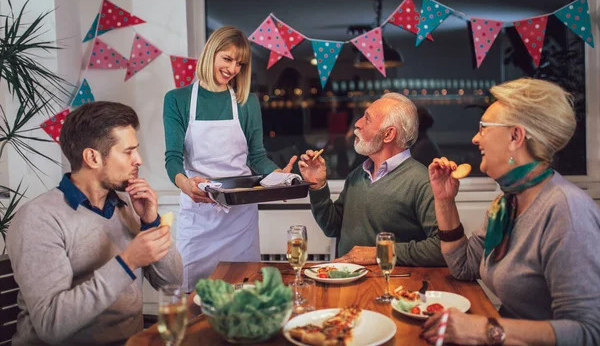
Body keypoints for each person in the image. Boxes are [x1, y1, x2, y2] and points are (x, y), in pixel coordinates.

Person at [422, 78, 600, 345]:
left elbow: (587, 332)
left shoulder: (566, 210)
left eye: (484, 128)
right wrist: (444, 200)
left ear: (516, 136)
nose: (475, 137)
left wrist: (485, 329)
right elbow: (464, 266)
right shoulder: (507, 203)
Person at [6, 101, 183, 345]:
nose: (139, 160)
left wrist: (151, 222)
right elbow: (51, 324)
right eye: (128, 151)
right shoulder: (38, 219)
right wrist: (128, 262)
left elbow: (171, 282)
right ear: (92, 157)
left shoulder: (128, 205)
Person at [163, 26, 296, 292]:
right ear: (211, 53)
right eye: (227, 59)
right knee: (193, 295)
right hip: (198, 212)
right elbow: (173, 158)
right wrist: (184, 184)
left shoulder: (247, 102)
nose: (233, 68)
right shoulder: (177, 100)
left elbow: (257, 157)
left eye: (240, 63)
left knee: (243, 291)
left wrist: (280, 178)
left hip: (239, 220)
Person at [298, 93, 445, 266]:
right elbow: (333, 227)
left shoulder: (421, 182)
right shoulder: (357, 175)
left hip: (394, 286)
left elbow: (441, 249)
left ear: (388, 134)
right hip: (348, 283)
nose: (357, 124)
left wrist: (379, 253)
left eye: (367, 119)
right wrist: (318, 186)